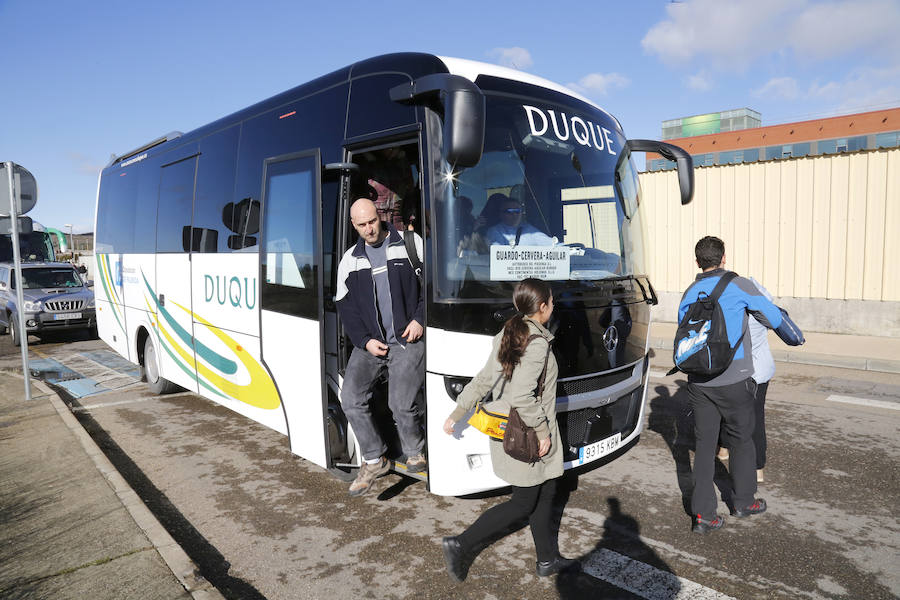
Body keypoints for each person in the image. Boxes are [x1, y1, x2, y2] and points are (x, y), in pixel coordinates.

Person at [440, 278, 580, 581]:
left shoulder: (511, 329)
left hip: (515, 428)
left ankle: (547, 560)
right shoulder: (537, 343)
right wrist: (543, 433)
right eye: (551, 302)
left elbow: (484, 378)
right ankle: (459, 544)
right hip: (529, 432)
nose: (553, 306)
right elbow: (522, 397)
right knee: (523, 502)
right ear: (542, 308)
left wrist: (458, 410)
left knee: (547, 490)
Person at [678, 236, 785, 534]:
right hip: (734, 377)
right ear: (724, 258)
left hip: (699, 381)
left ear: (697, 262)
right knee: (741, 439)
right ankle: (743, 502)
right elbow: (774, 317)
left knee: (704, 446)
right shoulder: (739, 285)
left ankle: (704, 517)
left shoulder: (688, 292)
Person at [335, 198, 426, 496]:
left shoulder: (409, 244)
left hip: (406, 339)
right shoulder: (350, 260)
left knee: (399, 403)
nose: (369, 229)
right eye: (361, 225)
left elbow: (433, 286)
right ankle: (374, 459)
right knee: (349, 397)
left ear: (381, 216)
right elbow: (345, 308)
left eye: (372, 221)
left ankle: (415, 451)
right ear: (353, 225)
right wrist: (364, 341)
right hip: (371, 343)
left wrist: (419, 319)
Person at [717, 277, 776, 484]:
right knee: (756, 418)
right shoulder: (764, 312)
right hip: (761, 372)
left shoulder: (733, 311)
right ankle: (758, 468)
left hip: (737, 372)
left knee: (728, 413)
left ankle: (724, 449)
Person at [484, 196, 556, 247]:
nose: (514, 214)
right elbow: (499, 253)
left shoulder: (528, 229)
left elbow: (552, 244)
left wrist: (565, 249)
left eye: (517, 211)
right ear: (501, 214)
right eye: (510, 211)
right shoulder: (494, 231)